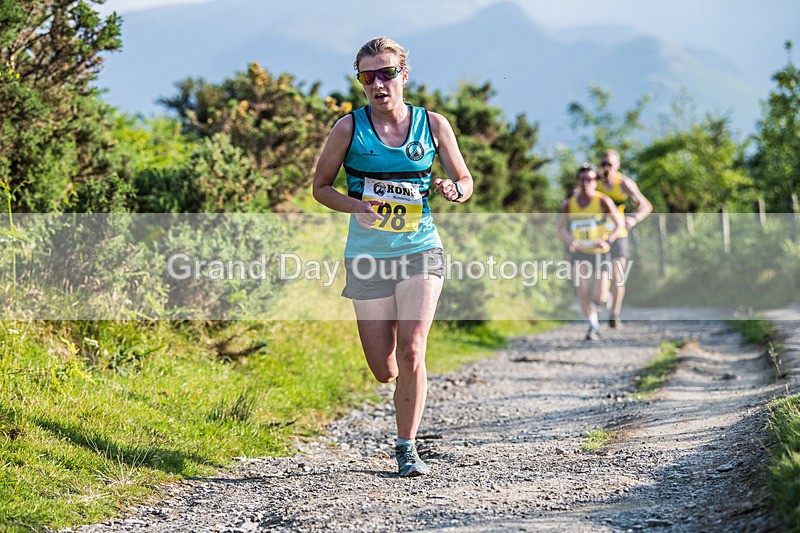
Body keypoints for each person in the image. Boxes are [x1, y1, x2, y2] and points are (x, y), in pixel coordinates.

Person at [312, 37, 473, 477]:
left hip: (421, 248)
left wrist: (453, 190)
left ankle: (407, 447)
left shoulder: (433, 125)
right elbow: (321, 187)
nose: (378, 83)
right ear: (361, 81)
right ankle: (397, 397)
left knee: (413, 350)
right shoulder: (348, 128)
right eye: (369, 76)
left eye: (386, 73)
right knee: (384, 368)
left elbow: (464, 178)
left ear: (404, 74)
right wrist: (356, 207)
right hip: (368, 256)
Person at [557, 164, 625, 341]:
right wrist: (569, 240)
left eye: (590, 179)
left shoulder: (603, 201)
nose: (586, 182)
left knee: (598, 296)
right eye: (582, 179)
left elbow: (619, 224)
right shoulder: (570, 204)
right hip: (579, 252)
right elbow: (561, 228)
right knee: (582, 290)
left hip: (599, 252)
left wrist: (608, 240)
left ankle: (605, 299)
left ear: (596, 182)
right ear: (577, 182)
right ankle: (593, 326)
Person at [596, 149, 653, 328]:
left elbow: (646, 205)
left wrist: (634, 219)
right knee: (598, 276)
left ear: (617, 165)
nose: (606, 168)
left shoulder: (624, 183)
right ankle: (604, 298)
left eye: (610, 164)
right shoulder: (594, 182)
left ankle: (614, 314)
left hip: (618, 234)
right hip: (597, 236)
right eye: (603, 163)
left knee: (618, 275)